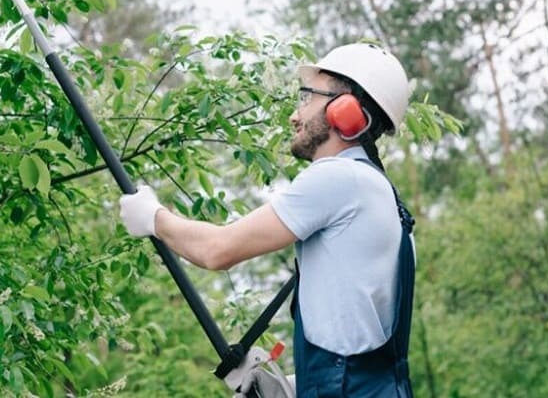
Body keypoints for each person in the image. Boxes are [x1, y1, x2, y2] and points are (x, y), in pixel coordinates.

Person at [119, 43, 415, 397]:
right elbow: (357, 339)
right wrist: (293, 387)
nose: (295, 115)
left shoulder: (340, 178)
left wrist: (153, 217)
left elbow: (217, 250)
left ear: (345, 110)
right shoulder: (383, 197)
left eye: (308, 97)